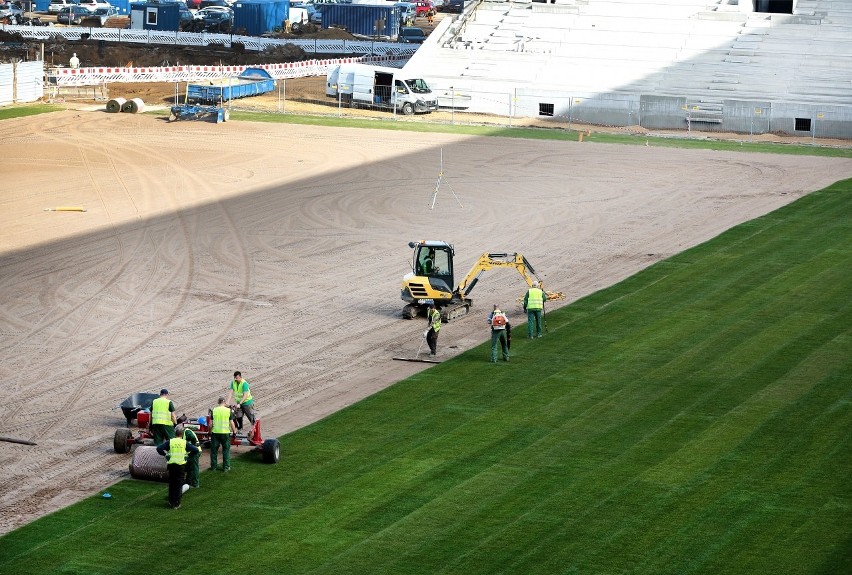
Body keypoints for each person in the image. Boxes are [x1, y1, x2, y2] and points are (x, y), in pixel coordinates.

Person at [156, 425, 200, 509]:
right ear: (182, 433)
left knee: (172, 483)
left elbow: (159, 448)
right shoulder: (184, 443)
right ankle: (176, 503)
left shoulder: (170, 442)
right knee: (178, 484)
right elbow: (196, 450)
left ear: (175, 433)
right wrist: (187, 455)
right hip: (181, 466)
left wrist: (166, 454)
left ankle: (171, 501)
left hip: (171, 465)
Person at [210, 396, 236, 472]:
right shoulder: (228, 411)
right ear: (224, 403)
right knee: (226, 451)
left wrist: (209, 431)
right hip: (225, 433)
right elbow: (232, 423)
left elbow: (210, 424)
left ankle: (213, 467)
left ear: (218, 403)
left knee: (214, 451)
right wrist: (234, 431)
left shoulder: (214, 410)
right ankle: (226, 468)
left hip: (215, 433)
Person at [182, 426, 201, 491]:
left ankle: (195, 484)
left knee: (194, 467)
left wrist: (192, 446)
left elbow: (193, 438)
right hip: (192, 452)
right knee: (190, 467)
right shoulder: (186, 432)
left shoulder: (187, 432)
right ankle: (188, 482)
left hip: (195, 452)